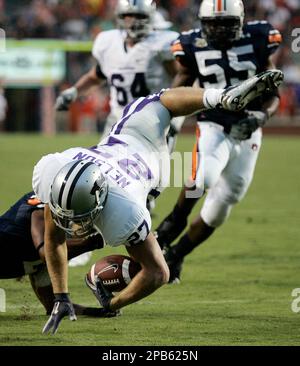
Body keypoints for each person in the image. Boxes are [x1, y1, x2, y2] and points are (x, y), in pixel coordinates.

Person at [32, 70, 283, 334]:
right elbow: (55, 235)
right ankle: (219, 97)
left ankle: (221, 99)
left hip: (154, 163)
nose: (72, 222)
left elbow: (158, 272)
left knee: (164, 109)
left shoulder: (124, 212)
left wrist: (113, 303)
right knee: (158, 102)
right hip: (128, 134)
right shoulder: (55, 171)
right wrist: (61, 296)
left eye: (79, 216)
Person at [154, 0, 283, 283]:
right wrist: (163, 115)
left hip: (248, 128)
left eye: (226, 23)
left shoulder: (259, 37)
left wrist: (262, 116)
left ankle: (177, 254)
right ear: (203, 23)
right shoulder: (191, 44)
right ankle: (173, 221)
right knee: (202, 178)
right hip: (213, 122)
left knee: (227, 199)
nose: (219, 30)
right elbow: (182, 82)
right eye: (213, 23)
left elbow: (273, 87)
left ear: (239, 22)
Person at [55, 0, 182, 141]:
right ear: (120, 17)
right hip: (118, 119)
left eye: (139, 16)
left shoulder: (161, 44)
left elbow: (180, 81)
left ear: (150, 17)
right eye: (129, 16)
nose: (134, 21)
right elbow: (96, 76)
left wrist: (175, 118)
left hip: (153, 120)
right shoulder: (109, 42)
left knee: (150, 162)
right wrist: (74, 91)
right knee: (104, 161)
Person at [0, 191, 117, 317]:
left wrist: (97, 312)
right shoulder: (42, 207)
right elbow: (47, 253)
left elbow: (53, 306)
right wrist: (92, 242)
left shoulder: (48, 255)